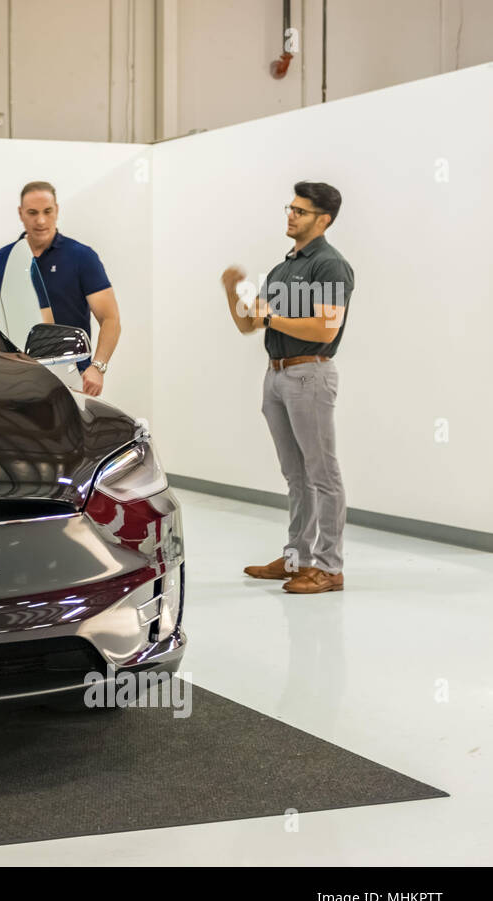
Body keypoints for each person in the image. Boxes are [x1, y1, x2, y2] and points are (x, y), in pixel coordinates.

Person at [221, 181, 354, 594]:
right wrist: (232, 292)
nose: (291, 215)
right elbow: (248, 323)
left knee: (322, 473)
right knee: (296, 475)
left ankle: (329, 568)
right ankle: (298, 558)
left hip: (309, 374)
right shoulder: (284, 268)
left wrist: (269, 318)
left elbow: (325, 326)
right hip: (277, 376)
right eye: (290, 208)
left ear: (323, 220)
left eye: (300, 210)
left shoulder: (329, 265)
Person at [0, 181, 122, 396]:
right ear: (21, 213)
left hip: (70, 377)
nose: (40, 220)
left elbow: (110, 318)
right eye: (32, 213)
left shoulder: (81, 257)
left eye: (47, 211)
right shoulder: (5, 257)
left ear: (56, 210)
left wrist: (98, 367)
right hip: (17, 377)